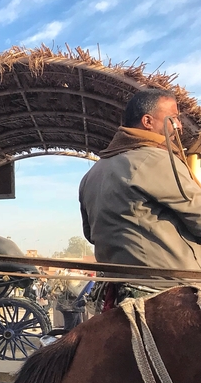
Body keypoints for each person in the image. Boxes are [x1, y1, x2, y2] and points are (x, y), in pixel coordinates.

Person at [79, 89, 201, 273]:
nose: (179, 126)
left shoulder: (92, 175)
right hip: (171, 284)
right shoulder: (155, 160)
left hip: (118, 284)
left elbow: (90, 234)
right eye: (173, 118)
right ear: (147, 122)